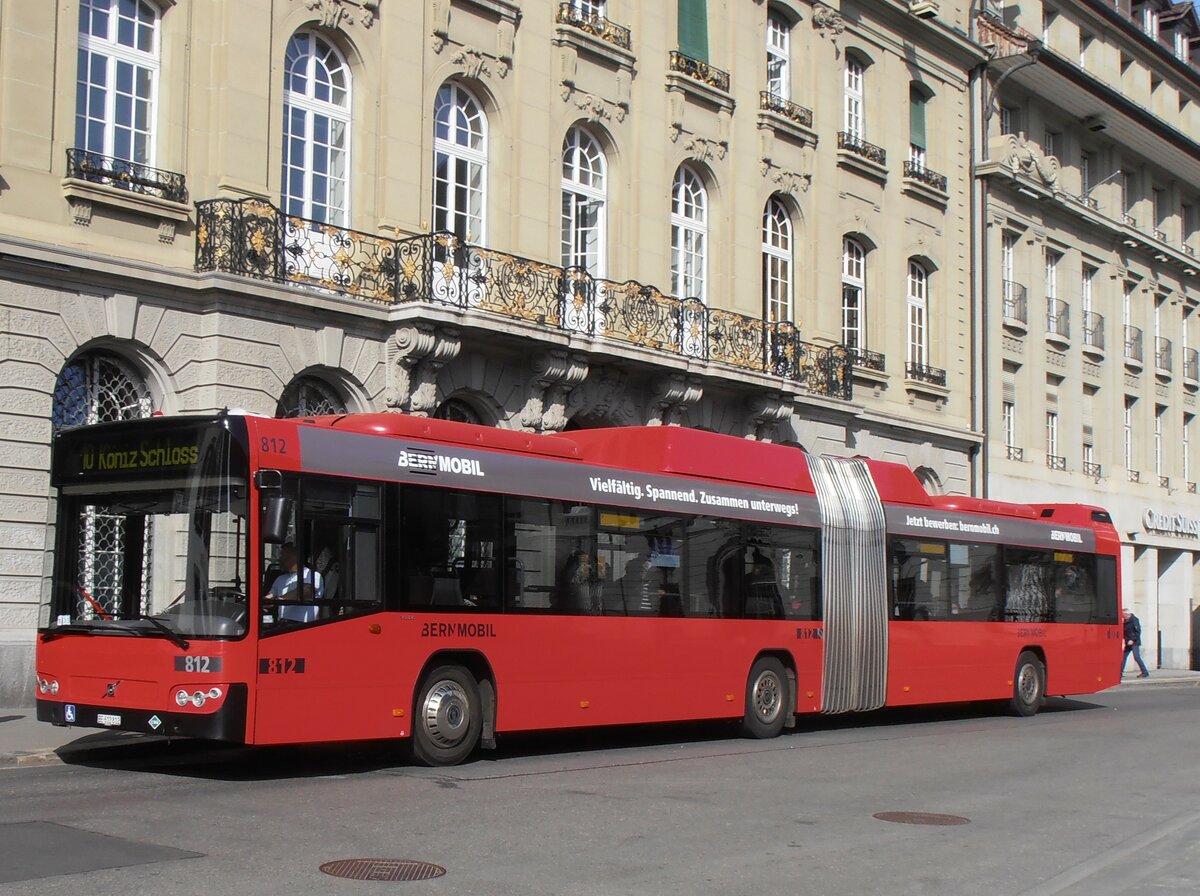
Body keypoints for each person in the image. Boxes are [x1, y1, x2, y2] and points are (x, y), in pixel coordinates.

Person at [266, 542, 324, 623]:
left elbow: (306, 590)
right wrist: (264, 602)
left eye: (283, 556)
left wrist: (280, 599)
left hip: (303, 627)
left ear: (295, 557)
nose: (280, 559)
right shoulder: (280, 579)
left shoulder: (312, 575)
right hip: (281, 626)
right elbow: (269, 597)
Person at [1121, 608, 1150, 678]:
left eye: (1123, 615)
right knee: (1123, 657)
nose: (1122, 616)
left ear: (1126, 614)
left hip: (1134, 642)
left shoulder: (1134, 620)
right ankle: (1120, 672)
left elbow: (1138, 631)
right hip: (1128, 642)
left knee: (1136, 657)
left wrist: (1132, 640)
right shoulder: (1125, 621)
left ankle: (1145, 672)